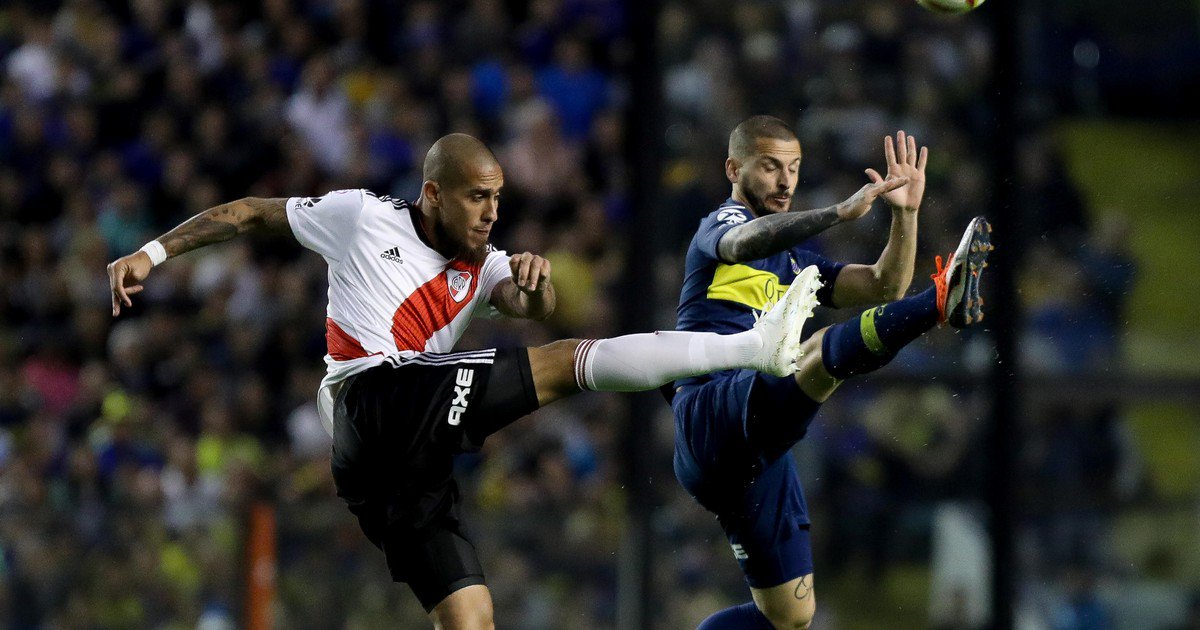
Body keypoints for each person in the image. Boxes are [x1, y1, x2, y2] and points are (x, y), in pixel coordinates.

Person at [107, 133, 825, 630]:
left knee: (470, 613)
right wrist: (152, 252)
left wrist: (539, 287)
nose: (491, 212)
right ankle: (752, 348)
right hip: (372, 399)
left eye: (499, 198)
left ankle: (752, 349)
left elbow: (535, 307)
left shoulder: (487, 265)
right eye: (477, 197)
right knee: (566, 366)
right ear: (432, 193)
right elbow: (248, 214)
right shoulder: (359, 217)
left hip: (394, 470)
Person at [670, 116, 993, 630]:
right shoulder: (722, 224)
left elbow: (883, 284)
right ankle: (936, 303)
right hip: (710, 413)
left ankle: (932, 300)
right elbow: (744, 243)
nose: (785, 181)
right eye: (771, 167)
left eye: (794, 168)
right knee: (817, 354)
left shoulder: (794, 261)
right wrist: (839, 214)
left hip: (757, 455)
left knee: (790, 617)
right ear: (733, 168)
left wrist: (904, 216)